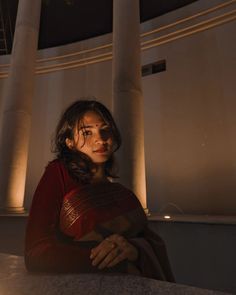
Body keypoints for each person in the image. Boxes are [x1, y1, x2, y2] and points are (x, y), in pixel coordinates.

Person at [25, 99, 174, 281]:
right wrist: (105, 258)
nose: (101, 139)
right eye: (87, 132)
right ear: (69, 142)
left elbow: (152, 245)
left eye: (105, 130)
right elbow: (36, 252)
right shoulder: (58, 174)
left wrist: (134, 250)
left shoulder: (125, 196)